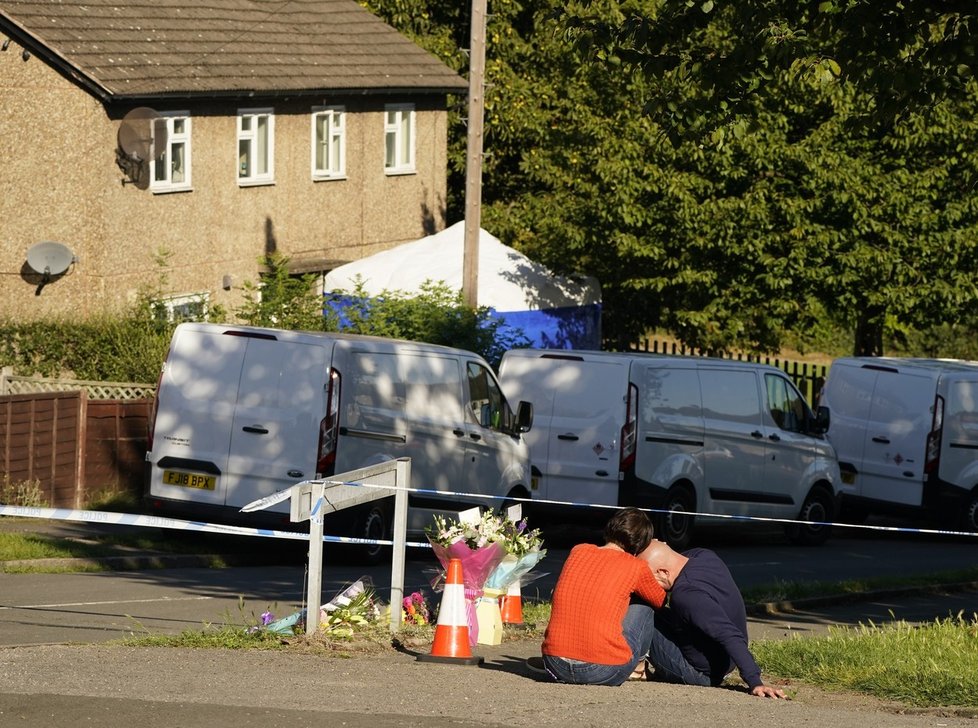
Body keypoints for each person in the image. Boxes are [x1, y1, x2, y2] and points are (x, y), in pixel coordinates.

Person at [642, 539, 787, 699]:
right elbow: (668, 556)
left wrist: (755, 681)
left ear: (663, 572)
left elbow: (728, 633)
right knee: (655, 610)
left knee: (639, 608)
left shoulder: (686, 596)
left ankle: (632, 665)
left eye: (648, 578)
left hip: (699, 673)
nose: (647, 584)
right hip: (723, 661)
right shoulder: (704, 556)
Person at [539, 508, 666, 686]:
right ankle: (638, 669)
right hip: (603, 670)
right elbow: (660, 600)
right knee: (645, 603)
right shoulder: (637, 566)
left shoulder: (578, 550)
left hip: (555, 664)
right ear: (640, 544)